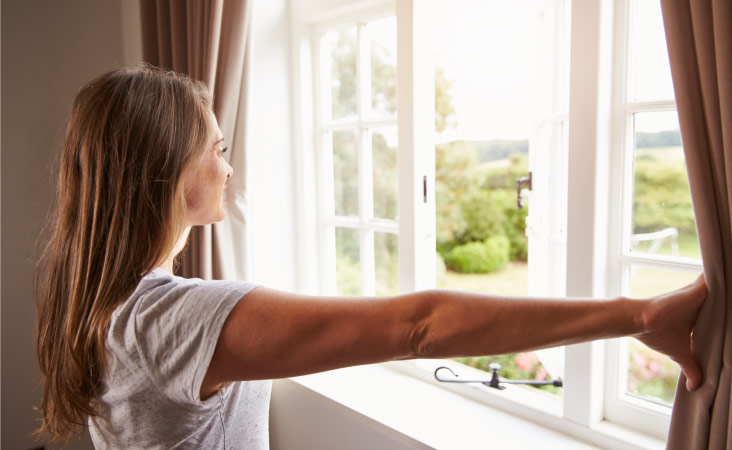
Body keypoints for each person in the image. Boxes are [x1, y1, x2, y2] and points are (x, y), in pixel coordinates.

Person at [34, 64, 707, 449]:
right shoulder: (171, 318)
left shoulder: (103, 295)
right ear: (170, 170)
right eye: (216, 149)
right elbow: (419, 326)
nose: (228, 166)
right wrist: (640, 314)